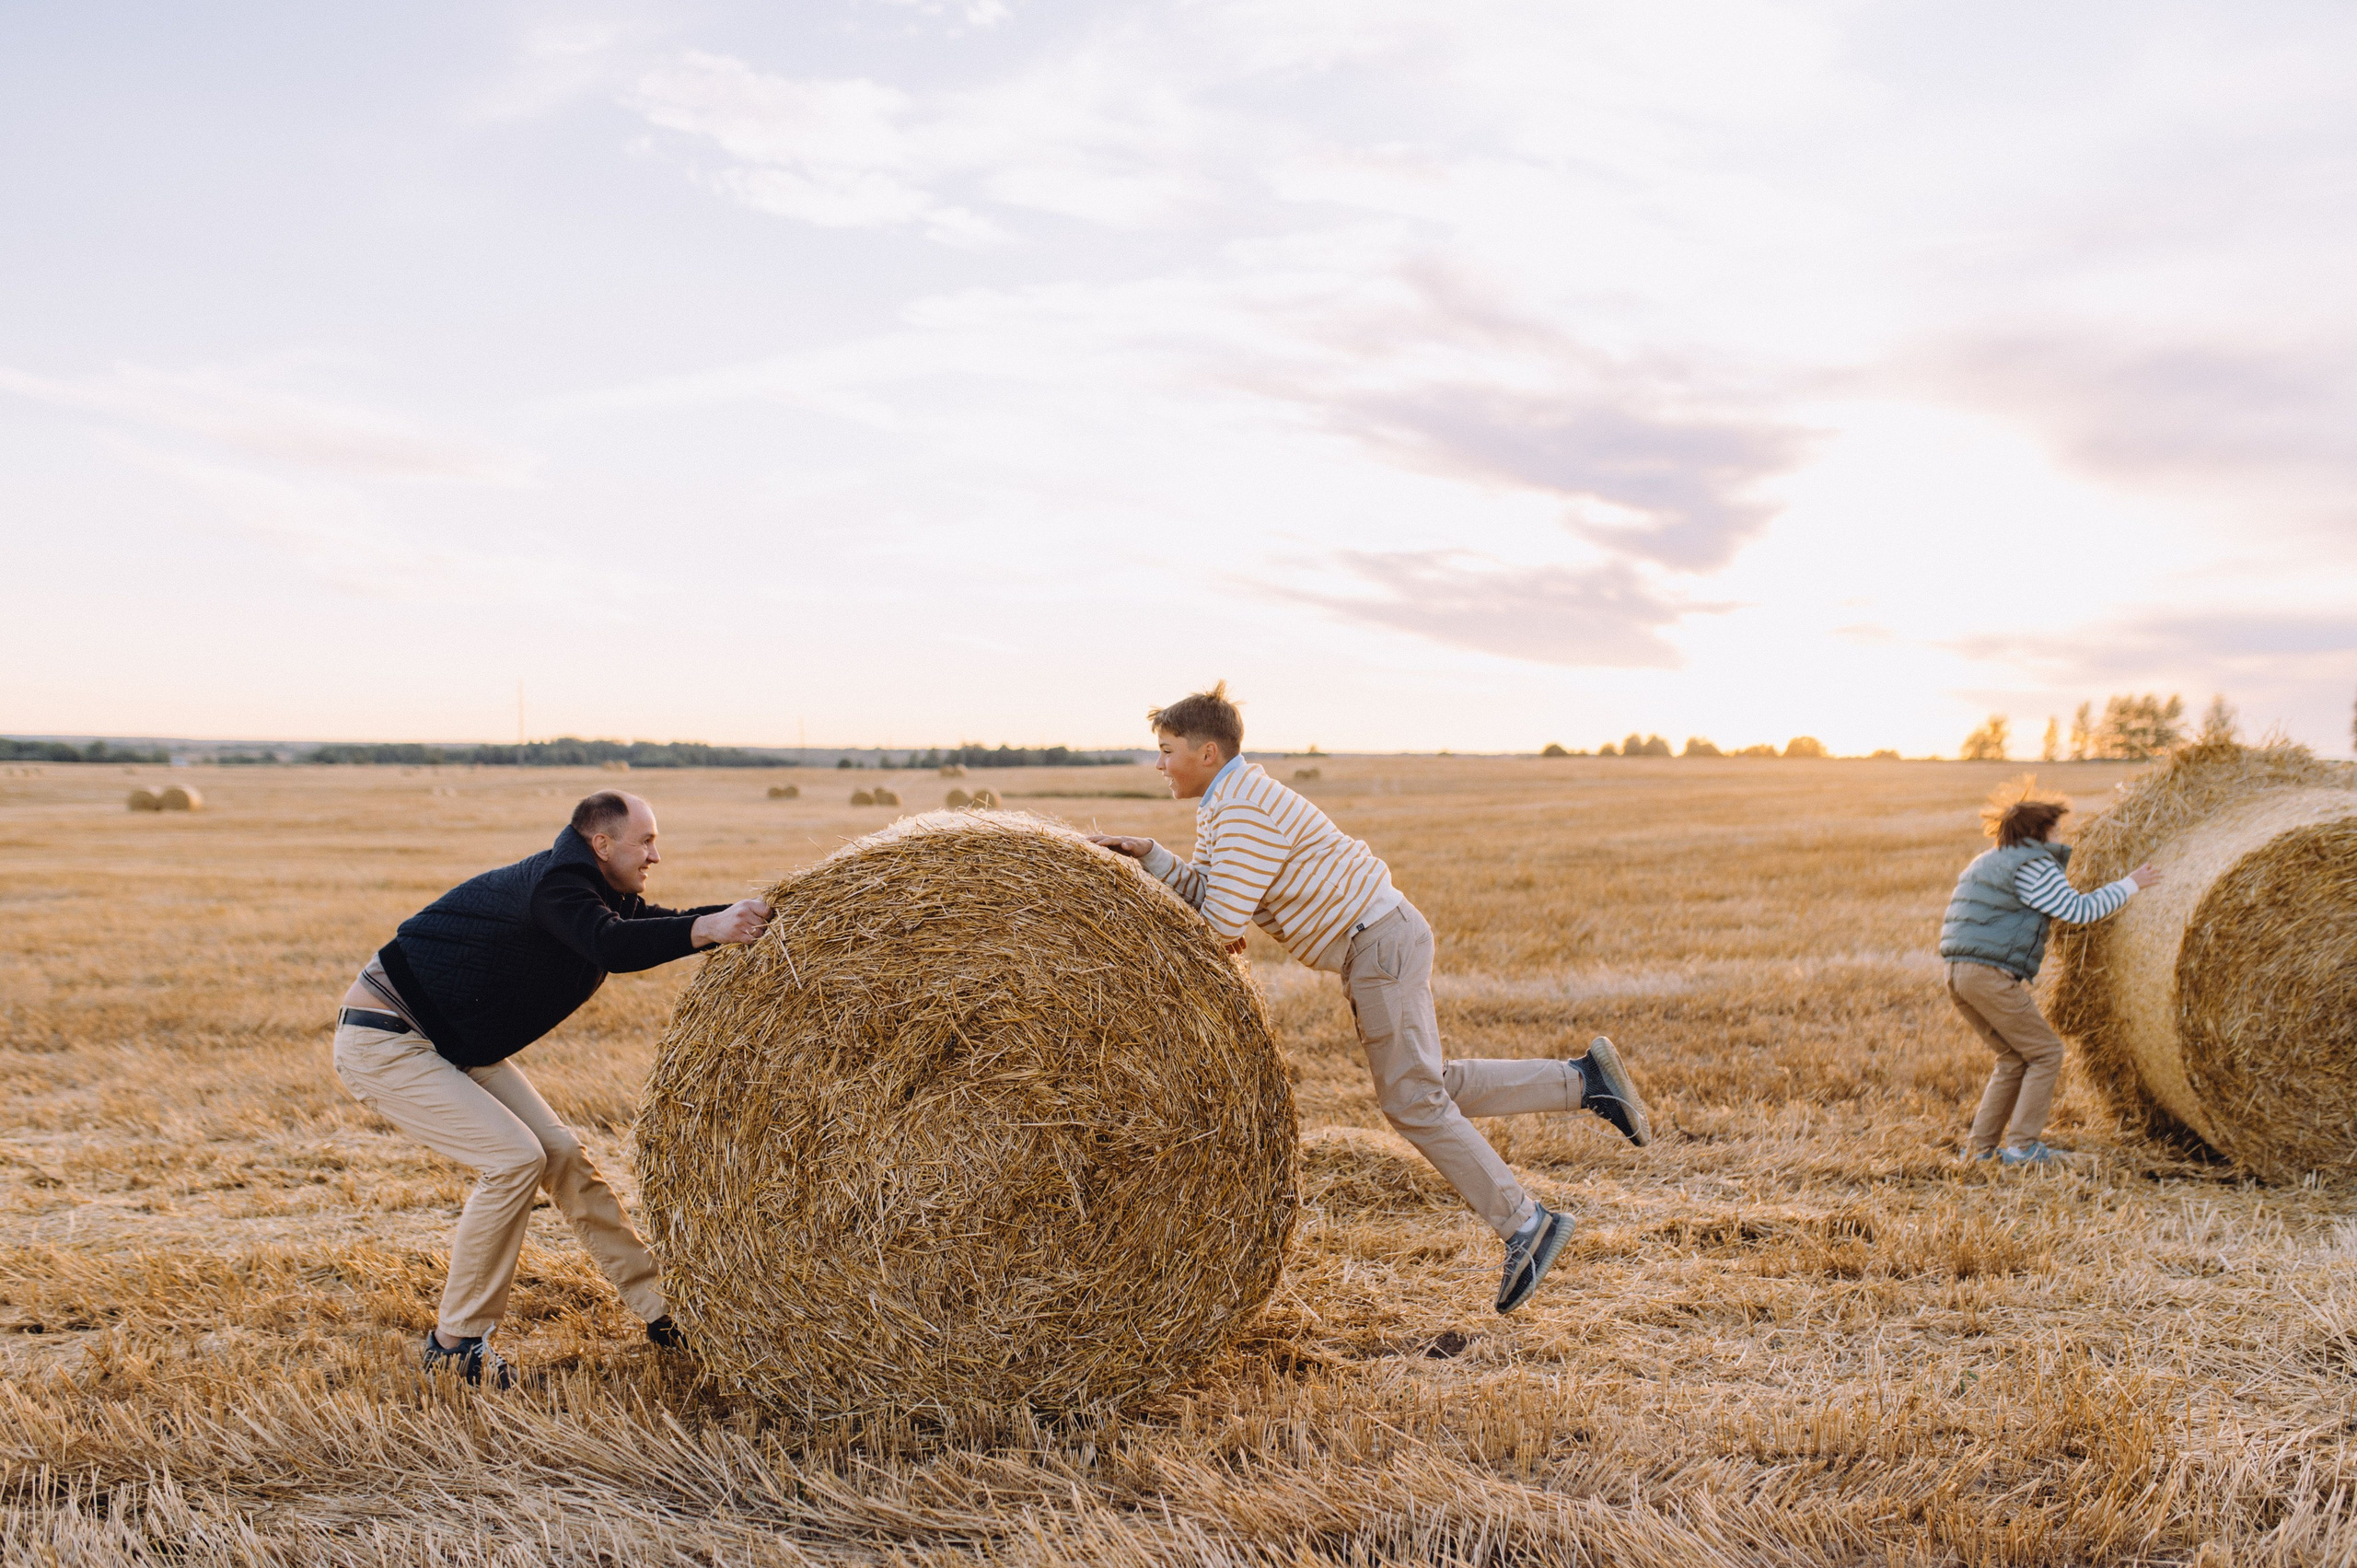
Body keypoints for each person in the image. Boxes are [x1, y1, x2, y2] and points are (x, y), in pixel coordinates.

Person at [1089, 683, 1651, 1315]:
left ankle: (1528, 1224)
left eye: (1167, 751)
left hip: (1377, 942)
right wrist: (1152, 857)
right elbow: (1214, 896)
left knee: (1413, 1099)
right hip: (1380, 940)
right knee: (1428, 1086)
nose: (1160, 764)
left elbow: (1218, 925)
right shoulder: (1229, 803)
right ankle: (1585, 1081)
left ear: (1208, 752)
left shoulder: (1244, 809)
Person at [331, 790, 771, 1386]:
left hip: (450, 1038)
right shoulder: (556, 887)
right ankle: (455, 1343)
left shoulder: (593, 892)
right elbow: (611, 945)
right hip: (386, 1038)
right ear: (602, 844)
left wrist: (750, 916)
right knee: (514, 1158)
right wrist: (709, 927)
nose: (655, 855)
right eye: (646, 841)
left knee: (561, 1153)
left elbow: (648, 926)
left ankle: (664, 1310)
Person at [1939, 779, 2158, 1167]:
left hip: (1958, 974)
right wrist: (2131, 884)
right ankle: (2023, 1147)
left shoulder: (1987, 860)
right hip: (1988, 975)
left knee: (2013, 1057)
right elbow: (2078, 911)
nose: (2060, 835)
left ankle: (1979, 1150)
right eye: (2056, 828)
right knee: (2046, 1052)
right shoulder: (2033, 866)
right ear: (2040, 831)